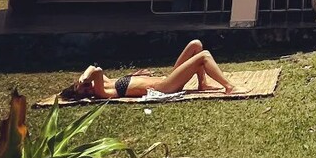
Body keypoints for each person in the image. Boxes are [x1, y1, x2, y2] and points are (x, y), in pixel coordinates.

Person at [60, 40, 235, 100]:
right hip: (166, 87)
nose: (86, 84)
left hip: (166, 79)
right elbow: (97, 71)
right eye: (83, 88)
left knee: (195, 45)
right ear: (84, 94)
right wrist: (85, 81)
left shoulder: (102, 83)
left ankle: (202, 84)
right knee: (203, 56)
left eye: (82, 84)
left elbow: (92, 67)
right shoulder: (100, 91)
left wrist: (82, 78)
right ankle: (228, 87)